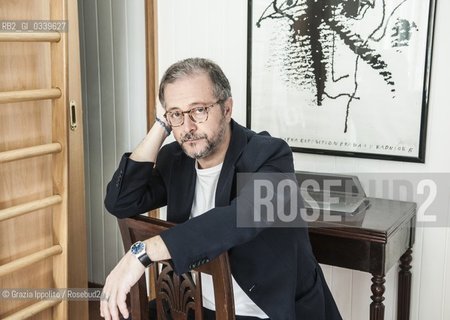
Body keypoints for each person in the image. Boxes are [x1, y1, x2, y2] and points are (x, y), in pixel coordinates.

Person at [100, 58, 342, 320]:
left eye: (199, 110)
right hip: (195, 307)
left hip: (266, 312)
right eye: (177, 114)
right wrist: (161, 127)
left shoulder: (269, 154)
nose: (188, 127)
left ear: (227, 109)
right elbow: (120, 201)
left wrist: (142, 252)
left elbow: (242, 216)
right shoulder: (176, 159)